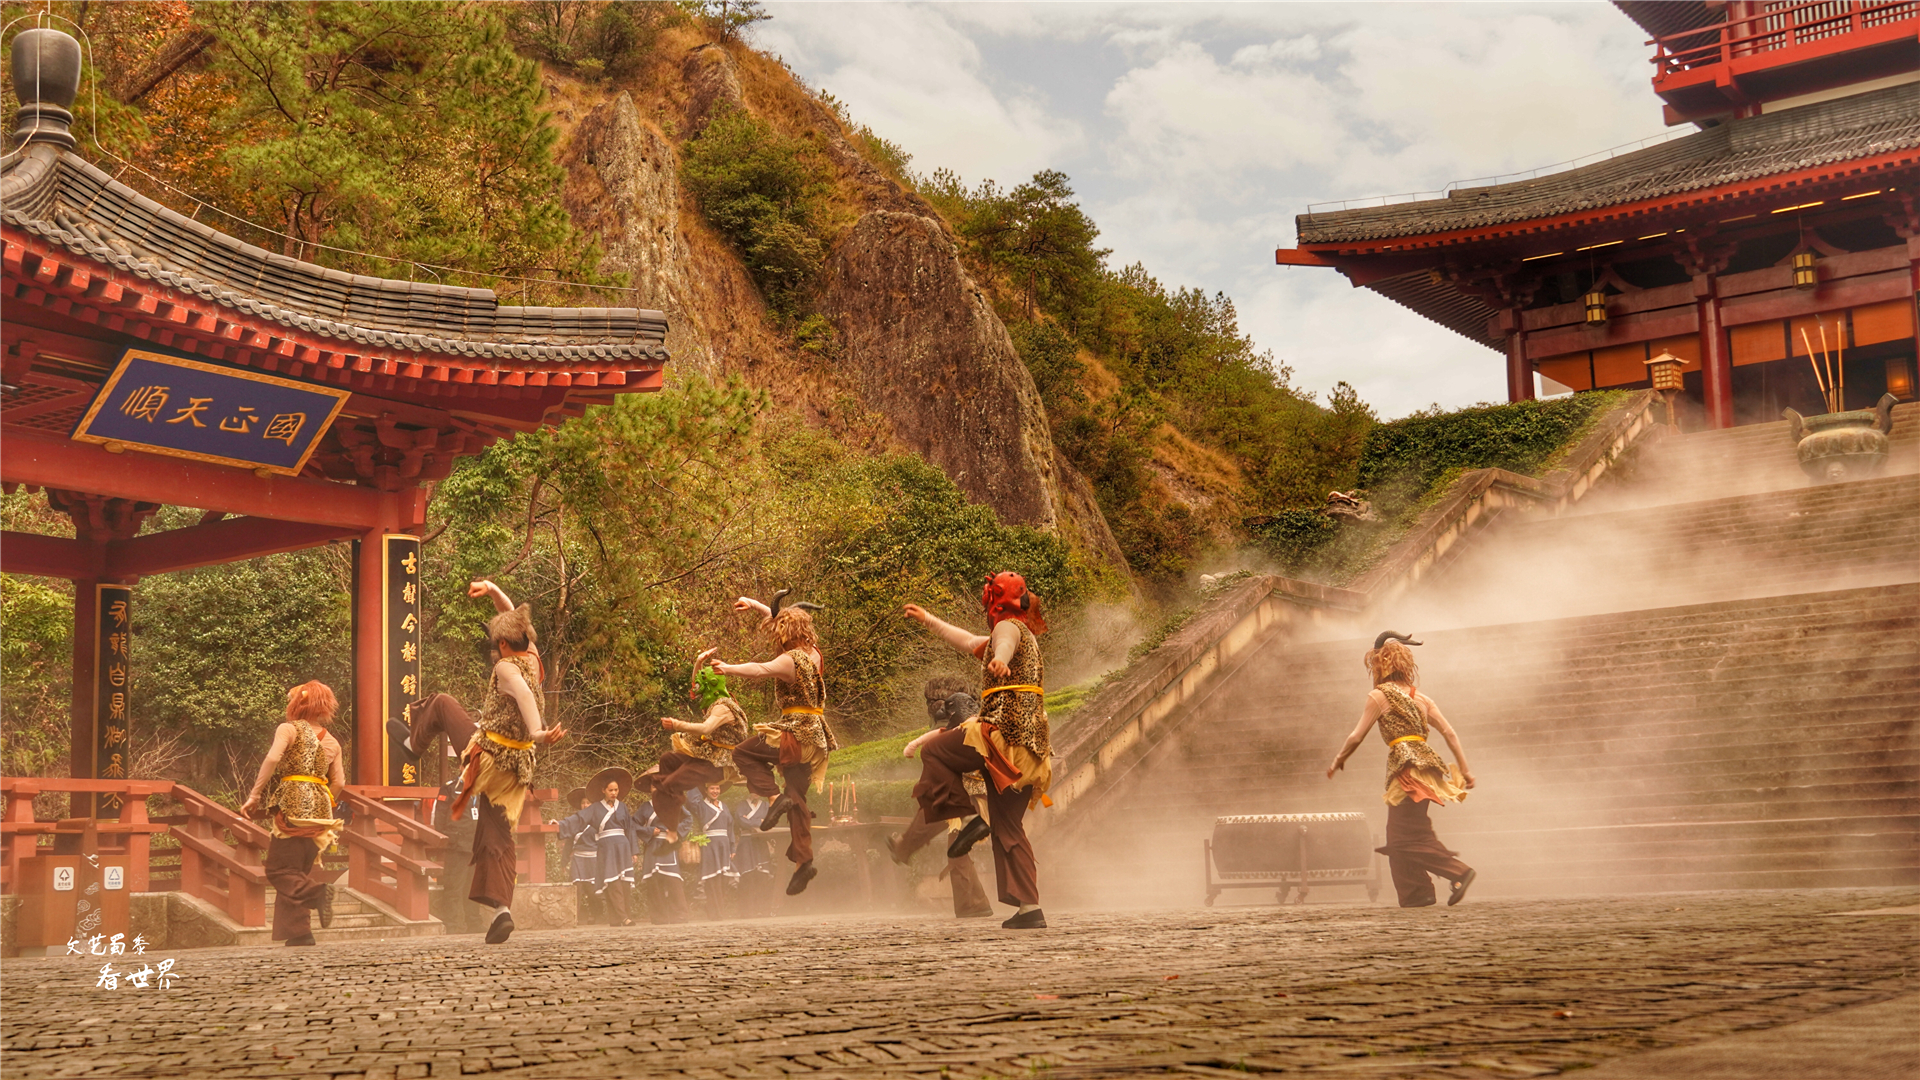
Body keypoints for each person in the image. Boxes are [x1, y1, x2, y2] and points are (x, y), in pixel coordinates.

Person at [902, 572, 1054, 930]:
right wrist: (929, 620)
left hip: (1000, 734)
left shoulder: (1009, 628)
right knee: (1009, 827)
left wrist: (1001, 659)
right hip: (1031, 750)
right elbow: (968, 639)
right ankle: (1030, 909)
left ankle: (969, 819)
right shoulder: (1025, 636)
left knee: (935, 752)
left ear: (996, 604)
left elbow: (1003, 642)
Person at [447, 579, 566, 943]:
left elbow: (524, 695)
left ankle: (410, 739)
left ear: (501, 644)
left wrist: (538, 731)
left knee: (441, 705)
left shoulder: (507, 668)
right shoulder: (532, 655)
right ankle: (502, 909)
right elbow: (510, 615)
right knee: (497, 835)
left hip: (494, 757)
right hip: (519, 770)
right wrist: (492, 588)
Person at [1327, 631, 1478, 908]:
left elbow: (1356, 736)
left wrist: (1339, 759)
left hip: (1408, 768)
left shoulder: (1378, 696)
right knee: (1405, 833)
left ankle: (1458, 872)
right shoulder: (1421, 697)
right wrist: (1465, 771)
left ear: (1379, 666)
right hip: (1428, 766)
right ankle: (1417, 894)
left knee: (1404, 837)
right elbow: (1450, 733)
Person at [717, 591, 834, 897]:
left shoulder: (789, 660)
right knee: (796, 797)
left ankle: (772, 799)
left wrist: (727, 668)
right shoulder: (814, 654)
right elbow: (777, 618)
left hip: (794, 735)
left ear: (785, 633)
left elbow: (759, 670)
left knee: (744, 753)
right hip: (816, 741)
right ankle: (803, 863)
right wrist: (754, 604)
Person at [239, 681, 346, 947]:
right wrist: (322, 802)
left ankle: (318, 893)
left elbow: (273, 758)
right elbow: (340, 783)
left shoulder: (288, 729)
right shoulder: (333, 741)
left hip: (293, 805)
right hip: (321, 812)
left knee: (279, 870)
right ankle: (300, 934)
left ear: (298, 703)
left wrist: (255, 795)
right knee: (296, 871)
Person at [889, 679, 995, 919]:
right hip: (967, 793)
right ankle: (974, 904)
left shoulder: (966, 729)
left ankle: (974, 904)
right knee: (946, 833)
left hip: (969, 795)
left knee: (955, 846)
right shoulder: (964, 729)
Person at [652, 652, 748, 840]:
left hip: (719, 764)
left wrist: (675, 724)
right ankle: (672, 798)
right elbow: (696, 685)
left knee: (669, 784)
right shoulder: (712, 703)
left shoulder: (723, 707)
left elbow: (705, 728)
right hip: (708, 755)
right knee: (667, 759)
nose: (698, 692)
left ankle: (673, 830)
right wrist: (698, 661)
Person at [581, 768, 639, 927]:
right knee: (612, 882)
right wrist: (561, 825)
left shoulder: (623, 807)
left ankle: (618, 917)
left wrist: (634, 851)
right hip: (606, 848)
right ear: (603, 791)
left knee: (624, 883)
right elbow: (578, 818)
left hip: (623, 847)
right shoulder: (595, 808)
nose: (614, 793)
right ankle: (623, 917)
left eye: (616, 790)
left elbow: (630, 829)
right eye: (610, 790)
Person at [635, 769, 690, 924]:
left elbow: (688, 819)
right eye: (654, 786)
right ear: (650, 789)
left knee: (673, 880)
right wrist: (649, 831)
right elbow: (634, 824)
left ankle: (679, 914)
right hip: (653, 846)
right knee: (654, 882)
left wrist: (674, 832)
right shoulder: (645, 807)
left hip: (668, 844)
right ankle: (658, 917)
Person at [432, 772, 483, 934]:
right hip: (457, 845)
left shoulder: (483, 787)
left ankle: (474, 923)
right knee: (454, 886)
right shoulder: (449, 788)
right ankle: (452, 924)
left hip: (476, 845)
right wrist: (451, 837)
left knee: (474, 887)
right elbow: (438, 817)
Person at [553, 787, 600, 926]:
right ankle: (574, 917)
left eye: (588, 803)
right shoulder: (576, 822)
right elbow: (568, 843)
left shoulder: (598, 822)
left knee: (592, 891)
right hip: (578, 858)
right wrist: (564, 862)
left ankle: (595, 915)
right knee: (576, 888)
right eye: (583, 803)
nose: (585, 805)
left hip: (594, 859)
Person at [689, 782, 737, 920]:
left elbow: (730, 828)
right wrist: (694, 778)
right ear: (706, 790)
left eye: (717, 788)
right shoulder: (701, 806)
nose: (715, 791)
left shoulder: (724, 806)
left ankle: (719, 910)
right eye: (712, 788)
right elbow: (691, 799)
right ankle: (714, 912)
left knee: (723, 880)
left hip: (724, 845)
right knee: (712, 880)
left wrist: (732, 847)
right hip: (710, 844)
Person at [731, 791, 776, 917]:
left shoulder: (766, 805)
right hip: (746, 843)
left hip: (760, 843)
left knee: (762, 876)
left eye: (758, 789)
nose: (756, 792)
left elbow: (770, 821)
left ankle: (762, 910)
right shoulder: (742, 805)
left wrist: (751, 821)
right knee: (747, 877)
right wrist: (759, 821)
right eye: (753, 789)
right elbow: (741, 821)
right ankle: (746, 911)